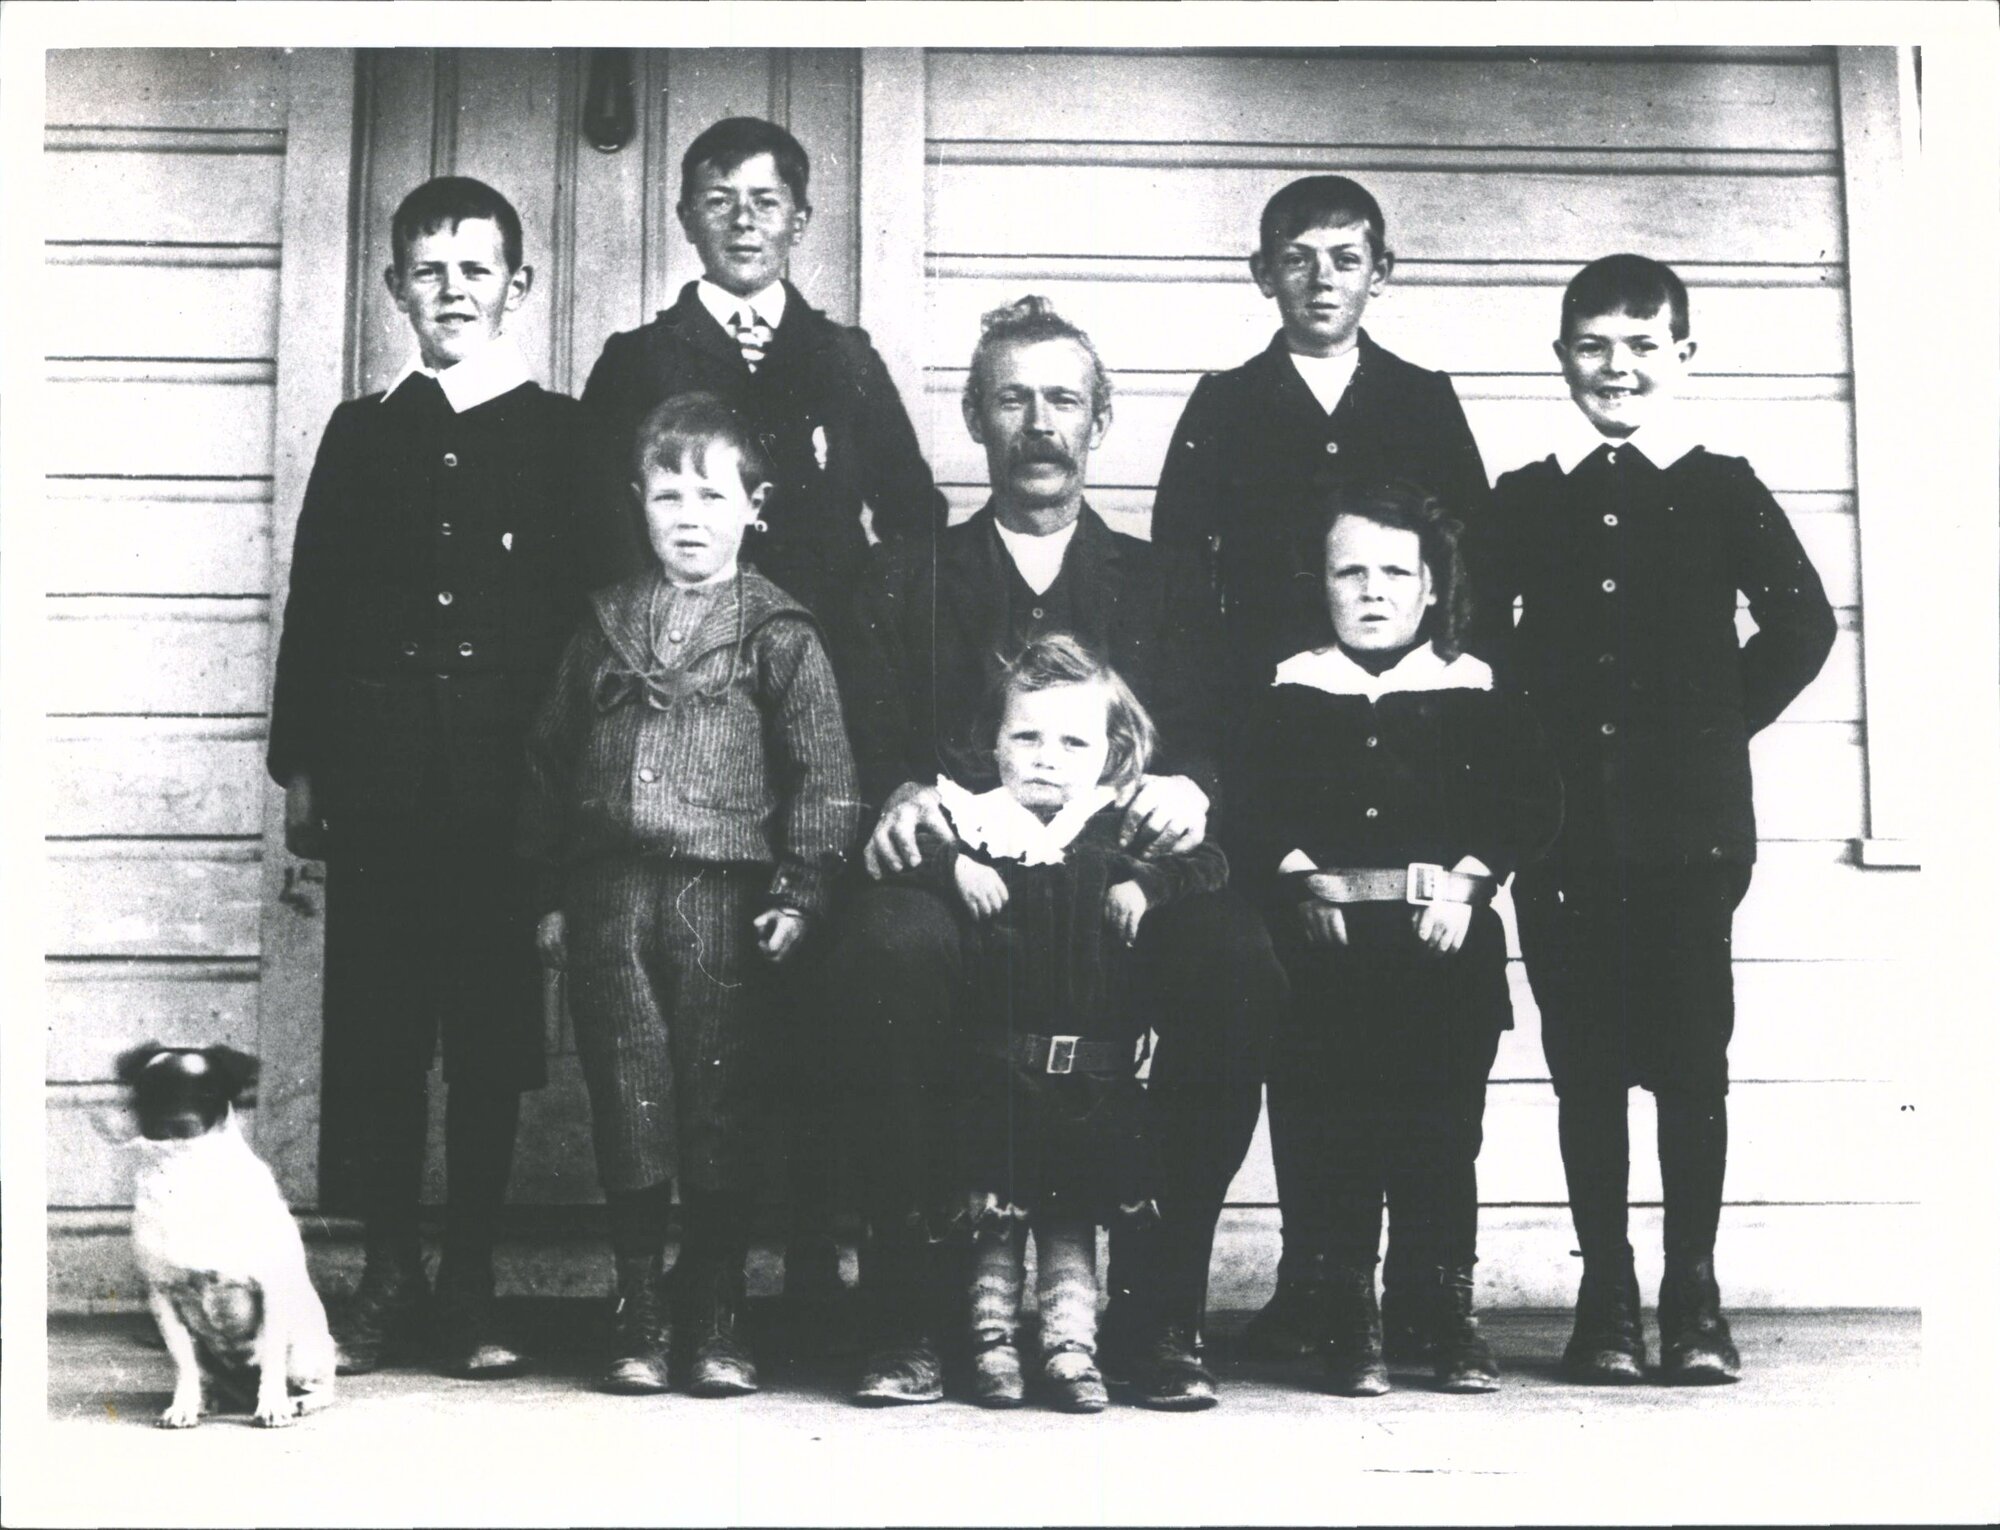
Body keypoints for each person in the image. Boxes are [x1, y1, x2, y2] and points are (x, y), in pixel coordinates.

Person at [835, 296, 1286, 1410]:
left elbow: (1213, 733)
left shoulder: (1167, 581)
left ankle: (1158, 1310)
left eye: (1063, 401)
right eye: (1012, 400)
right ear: (974, 419)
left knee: (1233, 962)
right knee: (887, 952)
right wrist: (903, 793)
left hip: (1116, 869)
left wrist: (1189, 787)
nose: (1039, 424)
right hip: (963, 877)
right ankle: (908, 1312)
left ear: (1099, 421)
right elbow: (867, 739)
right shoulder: (903, 576)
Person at [577, 115, 945, 1303]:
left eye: (766, 200)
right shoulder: (640, 360)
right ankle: (703, 1275)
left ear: (800, 219)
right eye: (719, 200)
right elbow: (594, 542)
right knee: (694, 989)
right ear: (685, 218)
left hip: (814, 700)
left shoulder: (841, 358)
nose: (743, 221)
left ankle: (815, 1251)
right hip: (687, 719)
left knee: (812, 958)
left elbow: (914, 519)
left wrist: (859, 642)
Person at [1469, 254, 1836, 1386]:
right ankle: (1606, 1299)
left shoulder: (1721, 486)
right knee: (1583, 1067)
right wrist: (1535, 745)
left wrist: (1707, 730)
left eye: (1640, 345)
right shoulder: (1527, 495)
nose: (1615, 367)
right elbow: (1474, 637)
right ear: (1560, 358)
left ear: (1682, 356)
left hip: (1689, 839)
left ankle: (1693, 1296)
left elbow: (1804, 625)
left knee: (1688, 1065)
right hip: (1565, 838)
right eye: (1593, 345)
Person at [1151, 173, 1493, 1363]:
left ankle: (1425, 1299)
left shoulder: (1420, 399)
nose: (1320, 279)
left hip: (1410, 758)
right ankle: (1319, 1287)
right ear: (1262, 274)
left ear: (1379, 273)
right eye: (1295, 257)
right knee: (1307, 1027)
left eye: (1345, 257)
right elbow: (1177, 577)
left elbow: (1471, 560)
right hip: (1280, 752)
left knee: (1421, 1042)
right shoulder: (1226, 403)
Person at [267, 175, 586, 1380]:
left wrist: (568, 787)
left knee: (491, 1039)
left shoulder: (558, 434)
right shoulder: (363, 433)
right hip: (383, 787)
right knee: (382, 1036)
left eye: (475, 270)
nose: (452, 290)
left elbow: (583, 621)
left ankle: (469, 1280)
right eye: (429, 271)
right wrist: (304, 769)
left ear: (517, 285)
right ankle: (389, 1269)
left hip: (506, 793)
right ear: (396, 287)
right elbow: (316, 603)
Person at [519, 393, 860, 1397]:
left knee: (719, 1094)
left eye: (713, 495)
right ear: (638, 501)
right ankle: (638, 1300)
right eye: (668, 495)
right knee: (628, 1089)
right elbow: (547, 761)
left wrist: (801, 889)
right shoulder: (602, 626)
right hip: (609, 897)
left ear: (756, 505)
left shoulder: (778, 632)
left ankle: (714, 1303)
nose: (690, 516)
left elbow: (824, 773)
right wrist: (550, 891)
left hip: (725, 901)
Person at [1249, 483, 1560, 1397]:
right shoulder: (1290, 691)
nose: (1373, 590)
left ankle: (1439, 1309)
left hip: (1443, 952)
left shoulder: (1477, 691)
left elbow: (1529, 800)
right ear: (1322, 585)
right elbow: (1251, 800)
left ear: (1431, 588)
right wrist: (1298, 876)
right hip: (1326, 956)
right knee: (1333, 1134)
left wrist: (1470, 882)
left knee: (1440, 1136)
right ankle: (1348, 1313)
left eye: (1395, 572)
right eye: (1350, 572)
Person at [892, 635, 1229, 1412]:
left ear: (1113, 753)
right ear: (993, 742)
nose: (1048, 758)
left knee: (1071, 1224)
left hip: (1092, 1080)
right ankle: (992, 1348)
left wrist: (1147, 888)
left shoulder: (1117, 827)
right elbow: (902, 855)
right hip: (998, 1073)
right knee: (994, 1221)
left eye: (1074, 742)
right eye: (1027, 737)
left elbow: (1209, 862)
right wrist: (955, 868)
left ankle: (1072, 1352)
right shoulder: (971, 822)